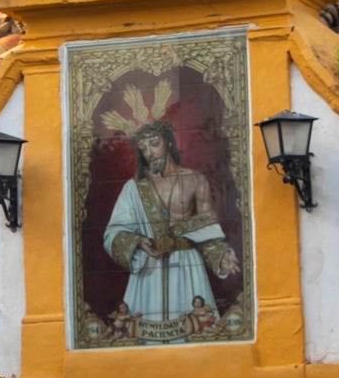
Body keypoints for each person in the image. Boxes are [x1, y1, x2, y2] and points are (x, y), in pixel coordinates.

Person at [103, 118, 241, 333]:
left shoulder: (195, 180)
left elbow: (206, 229)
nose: (149, 152)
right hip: (149, 268)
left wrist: (220, 254)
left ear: (168, 142)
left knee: (197, 331)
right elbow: (113, 231)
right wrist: (138, 241)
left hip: (188, 265)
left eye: (154, 143)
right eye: (143, 147)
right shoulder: (134, 188)